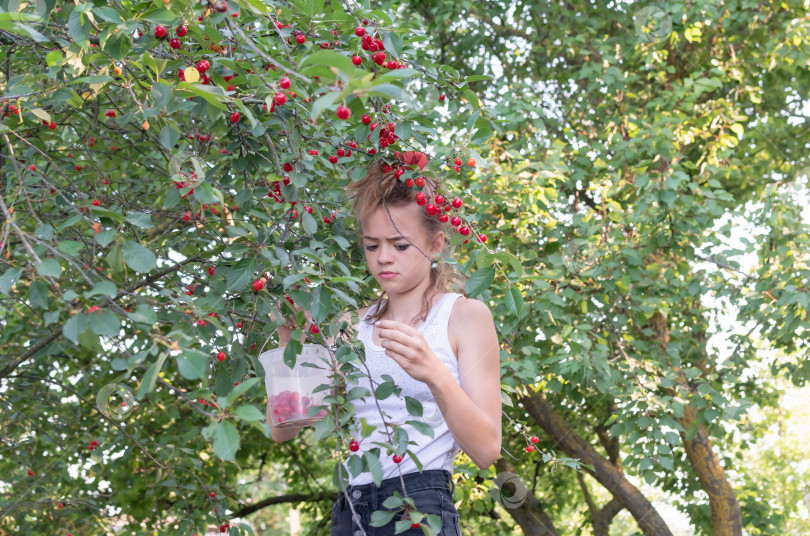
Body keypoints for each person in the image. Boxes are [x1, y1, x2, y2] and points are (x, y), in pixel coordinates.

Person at [267, 151, 502, 535]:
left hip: (420, 505)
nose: (384, 258)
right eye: (372, 245)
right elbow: (286, 427)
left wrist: (434, 374)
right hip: (352, 510)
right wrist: (288, 338)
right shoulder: (348, 325)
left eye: (400, 245)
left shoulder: (464, 316)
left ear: (436, 244)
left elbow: (486, 450)